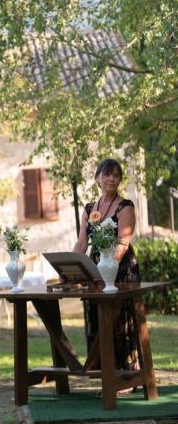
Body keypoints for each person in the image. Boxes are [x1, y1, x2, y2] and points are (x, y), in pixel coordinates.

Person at [73, 158, 141, 372]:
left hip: (120, 270)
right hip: (95, 269)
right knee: (97, 318)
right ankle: (102, 372)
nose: (111, 178)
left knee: (120, 321)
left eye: (116, 175)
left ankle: (126, 374)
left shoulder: (125, 206)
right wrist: (73, 271)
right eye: (107, 174)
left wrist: (108, 269)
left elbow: (123, 241)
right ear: (97, 179)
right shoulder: (89, 208)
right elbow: (82, 242)